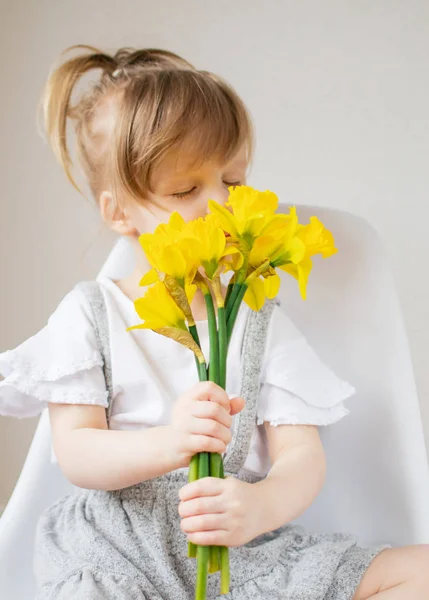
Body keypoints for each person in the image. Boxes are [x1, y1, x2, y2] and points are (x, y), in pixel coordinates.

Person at [0, 45, 428, 599]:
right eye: (185, 190)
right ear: (119, 213)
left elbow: (301, 454)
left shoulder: (257, 319)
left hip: (238, 552)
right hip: (120, 547)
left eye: (234, 180)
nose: (220, 205)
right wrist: (171, 443)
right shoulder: (92, 314)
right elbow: (78, 451)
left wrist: (260, 506)